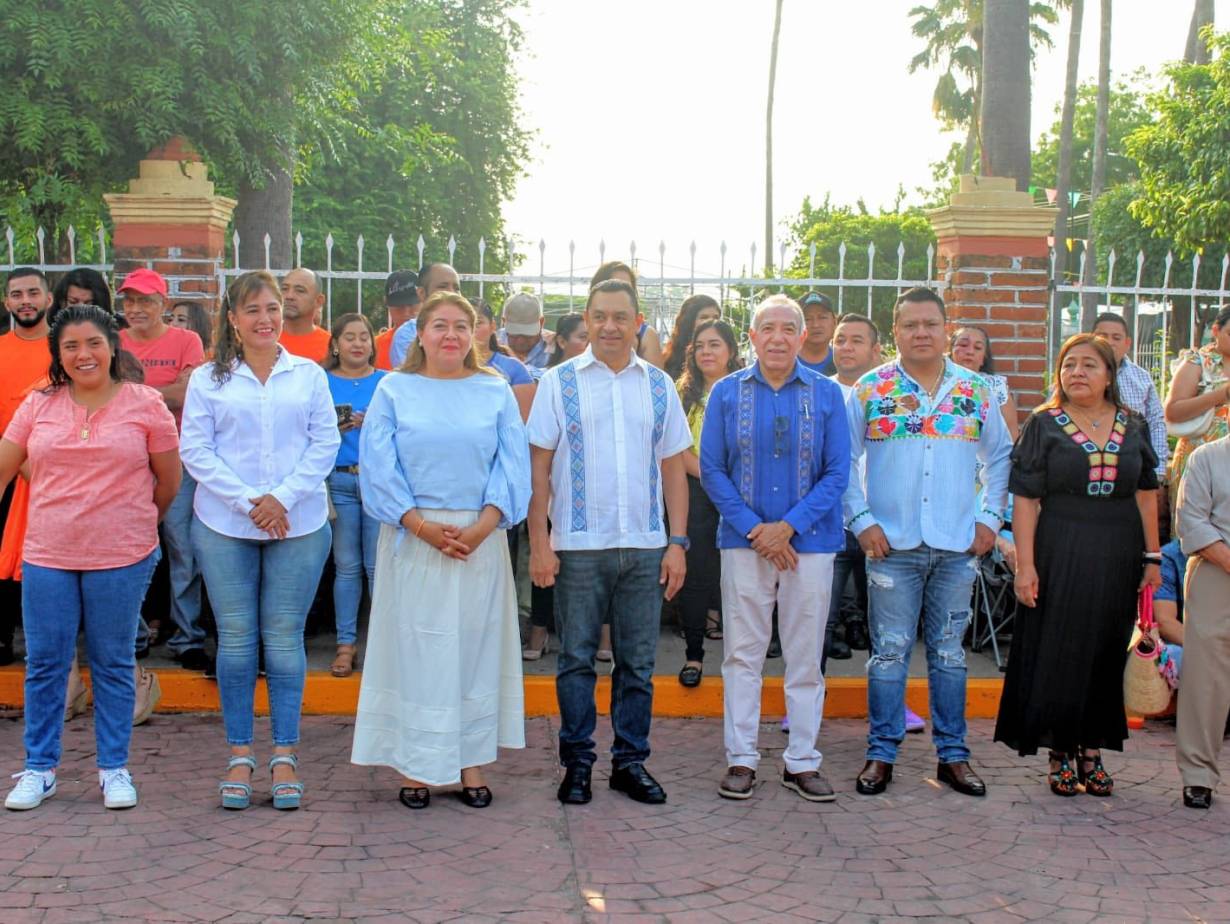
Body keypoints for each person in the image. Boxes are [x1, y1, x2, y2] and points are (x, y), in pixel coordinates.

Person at [352, 291, 530, 810]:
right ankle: (416, 764)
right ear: (420, 334)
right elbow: (379, 462)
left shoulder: (493, 390)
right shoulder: (394, 389)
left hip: (479, 539)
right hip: (414, 538)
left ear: (477, 333)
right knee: (417, 649)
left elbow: (512, 463)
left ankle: (470, 763)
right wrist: (419, 524)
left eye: (461, 325)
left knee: (473, 648)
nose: (450, 335)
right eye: (439, 325)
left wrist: (485, 524)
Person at [1, 305, 180, 811]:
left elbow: (168, 482)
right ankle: (39, 769)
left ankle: (113, 768)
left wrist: (138, 522)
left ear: (112, 346)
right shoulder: (38, 404)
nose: (84, 354)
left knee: (113, 662)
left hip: (122, 555)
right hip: (49, 554)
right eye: (71, 347)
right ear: (59, 355)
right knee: (45, 663)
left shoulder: (145, 404)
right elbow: (5, 465)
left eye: (93, 343)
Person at [843, 287, 1012, 798]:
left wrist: (989, 519)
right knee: (889, 654)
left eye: (931, 324)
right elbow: (844, 462)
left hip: (958, 544)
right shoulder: (870, 390)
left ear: (946, 330)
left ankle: (953, 756)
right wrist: (862, 519)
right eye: (911, 325)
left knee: (949, 655)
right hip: (890, 545)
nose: (921, 333)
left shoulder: (975, 389)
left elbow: (1000, 456)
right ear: (894, 332)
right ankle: (882, 753)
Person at [181, 271, 339, 812]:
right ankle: (240, 754)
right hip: (226, 523)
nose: (265, 318)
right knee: (238, 640)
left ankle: (286, 753)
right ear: (232, 319)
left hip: (298, 523)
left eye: (272, 307)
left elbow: (325, 443)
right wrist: (252, 500)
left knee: (284, 638)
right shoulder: (209, 378)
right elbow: (196, 451)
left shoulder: (309, 376)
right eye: (252, 310)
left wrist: (283, 499)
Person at [528, 278, 690, 806]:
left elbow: (672, 469)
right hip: (577, 545)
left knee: (637, 663)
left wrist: (678, 542)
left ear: (637, 320)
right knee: (575, 658)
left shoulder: (659, 385)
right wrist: (540, 542)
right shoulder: (559, 383)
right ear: (587, 319)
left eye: (621, 316)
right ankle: (576, 765)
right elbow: (540, 467)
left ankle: (630, 763)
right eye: (599, 316)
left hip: (644, 546)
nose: (610, 326)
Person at [994, 333, 1161, 797]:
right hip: (1060, 546)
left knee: (1107, 646)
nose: (1077, 373)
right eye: (1069, 365)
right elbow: (1025, 499)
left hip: (1119, 548)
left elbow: (1146, 493)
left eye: (1089, 365)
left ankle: (1094, 749)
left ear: (1110, 375)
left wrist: (1151, 556)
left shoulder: (1134, 424)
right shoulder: (1044, 423)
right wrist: (1025, 567)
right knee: (1060, 647)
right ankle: (1061, 751)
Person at [701, 296, 850, 802]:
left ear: (805, 335)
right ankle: (741, 759)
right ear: (753, 336)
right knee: (743, 654)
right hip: (744, 545)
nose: (779, 337)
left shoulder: (828, 395)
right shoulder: (726, 393)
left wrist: (787, 527)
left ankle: (802, 761)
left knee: (805, 656)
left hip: (810, 546)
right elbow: (713, 470)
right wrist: (756, 530)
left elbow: (838, 473)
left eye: (789, 328)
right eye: (769, 328)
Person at [118, 269, 209, 671]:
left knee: (182, 549)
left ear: (163, 305)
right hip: (124, 459)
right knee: (123, 549)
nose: (136, 309)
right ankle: (132, 634)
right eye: (129, 301)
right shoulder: (112, 339)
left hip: (177, 456)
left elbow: (190, 391)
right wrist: (163, 391)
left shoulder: (186, 340)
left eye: (146, 301)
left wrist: (130, 393)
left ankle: (187, 636)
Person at [674, 319, 742, 687]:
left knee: (743, 575)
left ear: (730, 350)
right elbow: (676, 449)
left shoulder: (746, 392)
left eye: (714, 345)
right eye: (699, 345)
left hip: (742, 494)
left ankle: (744, 657)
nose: (706, 352)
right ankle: (694, 655)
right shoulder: (681, 394)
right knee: (696, 576)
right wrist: (713, 478)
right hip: (696, 490)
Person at [322, 313, 386, 678]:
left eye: (364, 337)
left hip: (377, 482)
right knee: (346, 568)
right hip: (340, 482)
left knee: (378, 568)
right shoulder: (322, 381)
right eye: (349, 337)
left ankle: (380, 646)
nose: (358, 343)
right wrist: (336, 425)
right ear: (336, 344)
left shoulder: (387, 382)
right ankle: (345, 645)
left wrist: (372, 423)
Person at [1174, 432, 1230, 809]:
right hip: (1216, 568)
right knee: (1205, 679)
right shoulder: (1207, 457)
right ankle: (1198, 777)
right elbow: (1191, 521)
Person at [0, 268, 53, 666]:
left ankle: (47, 642)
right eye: (17, 294)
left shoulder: (65, 347)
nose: (25, 301)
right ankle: (2, 637)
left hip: (52, 471)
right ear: (7, 303)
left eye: (33, 292)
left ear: (49, 298)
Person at [824, 314, 881, 668]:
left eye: (857, 340)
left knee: (884, 624)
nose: (846, 346)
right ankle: (807, 706)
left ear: (876, 350)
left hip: (880, 523)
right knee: (820, 619)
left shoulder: (888, 393)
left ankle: (889, 704)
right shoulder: (818, 390)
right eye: (841, 339)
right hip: (830, 523)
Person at [1091, 313, 1168, 482]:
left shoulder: (1141, 378)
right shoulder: (1075, 375)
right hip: (1085, 466)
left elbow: (1156, 423)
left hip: (1132, 468)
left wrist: (1159, 472)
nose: (1109, 342)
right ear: (1091, 339)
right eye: (1102, 336)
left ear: (1127, 343)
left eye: (1116, 337)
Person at [1165, 306, 1230, 501]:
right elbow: (1173, 411)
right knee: (1195, 525)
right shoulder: (1197, 362)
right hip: (1200, 462)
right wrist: (1223, 393)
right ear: (1216, 331)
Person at [950, 325, 1020, 441]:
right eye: (963, 345)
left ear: (984, 357)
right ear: (950, 350)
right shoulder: (936, 382)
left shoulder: (995, 386)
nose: (970, 352)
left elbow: (1011, 433)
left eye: (977, 348)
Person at [590, 261, 664, 368]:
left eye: (627, 287)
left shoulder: (645, 334)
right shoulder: (579, 330)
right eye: (614, 285)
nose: (609, 328)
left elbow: (656, 379)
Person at [388, 262, 462, 369]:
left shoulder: (468, 330)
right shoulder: (406, 335)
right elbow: (410, 379)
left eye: (456, 288)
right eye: (443, 287)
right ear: (421, 293)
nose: (451, 293)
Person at [474, 298, 536, 418]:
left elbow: (525, 426)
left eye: (477, 323)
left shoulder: (513, 369)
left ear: (492, 326)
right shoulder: (444, 369)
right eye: (463, 324)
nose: (470, 329)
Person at [662, 294, 721, 381]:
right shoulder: (669, 360)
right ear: (689, 321)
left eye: (716, 318)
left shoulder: (726, 356)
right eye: (704, 317)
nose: (711, 322)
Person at [278, 268, 332, 362]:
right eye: (284, 289)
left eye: (300, 291)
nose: (289, 296)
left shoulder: (330, 347)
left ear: (319, 301)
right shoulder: (264, 340)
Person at [374, 270, 420, 371]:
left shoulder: (436, 342)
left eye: (412, 305)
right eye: (399, 306)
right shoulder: (374, 347)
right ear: (386, 302)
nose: (406, 312)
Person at [501, 292, 552, 372]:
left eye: (527, 336)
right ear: (504, 322)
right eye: (515, 335)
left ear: (541, 322)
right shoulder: (491, 344)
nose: (520, 341)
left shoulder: (555, 348)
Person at [797, 292, 838, 376]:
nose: (816, 325)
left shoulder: (843, 361)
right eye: (807, 319)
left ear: (834, 322)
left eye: (822, 317)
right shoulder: (786, 362)